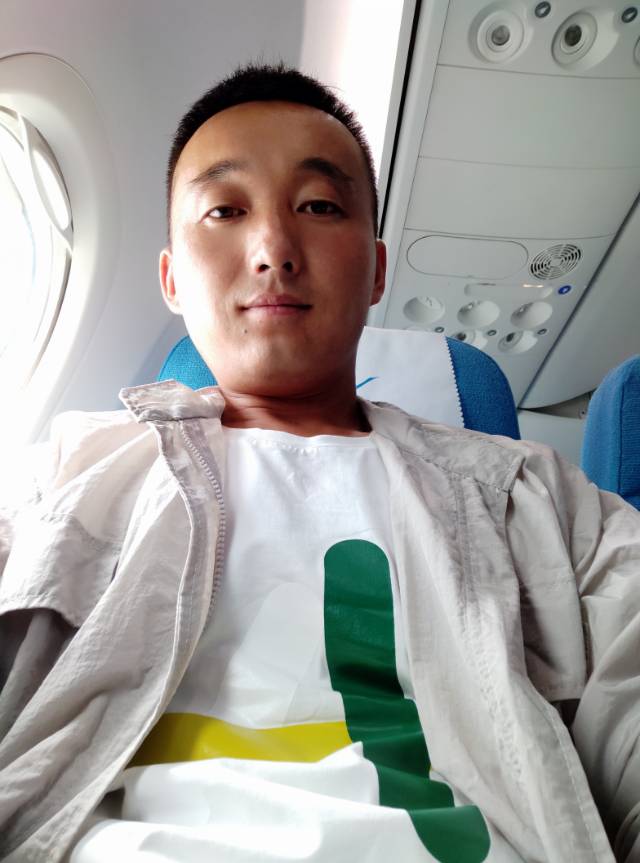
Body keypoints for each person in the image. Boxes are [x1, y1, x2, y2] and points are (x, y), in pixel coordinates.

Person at [0, 62, 638, 863]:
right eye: (225, 210)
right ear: (171, 277)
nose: (273, 248)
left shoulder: (527, 492)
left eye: (318, 206)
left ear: (376, 270)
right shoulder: (65, 476)